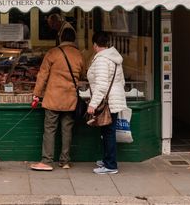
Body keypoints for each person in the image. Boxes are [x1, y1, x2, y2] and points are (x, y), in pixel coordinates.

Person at [29, 28, 85, 171]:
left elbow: (42, 75)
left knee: (50, 129)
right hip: (70, 99)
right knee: (67, 130)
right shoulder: (79, 55)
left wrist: (37, 94)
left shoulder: (53, 53)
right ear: (73, 39)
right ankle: (65, 161)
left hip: (53, 98)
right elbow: (83, 75)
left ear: (61, 38)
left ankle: (47, 161)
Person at [86, 31, 126, 175]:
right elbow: (121, 81)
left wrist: (93, 104)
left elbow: (101, 85)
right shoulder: (113, 58)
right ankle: (107, 160)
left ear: (95, 45)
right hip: (113, 99)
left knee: (108, 133)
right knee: (107, 132)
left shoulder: (102, 60)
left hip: (108, 101)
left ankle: (110, 165)